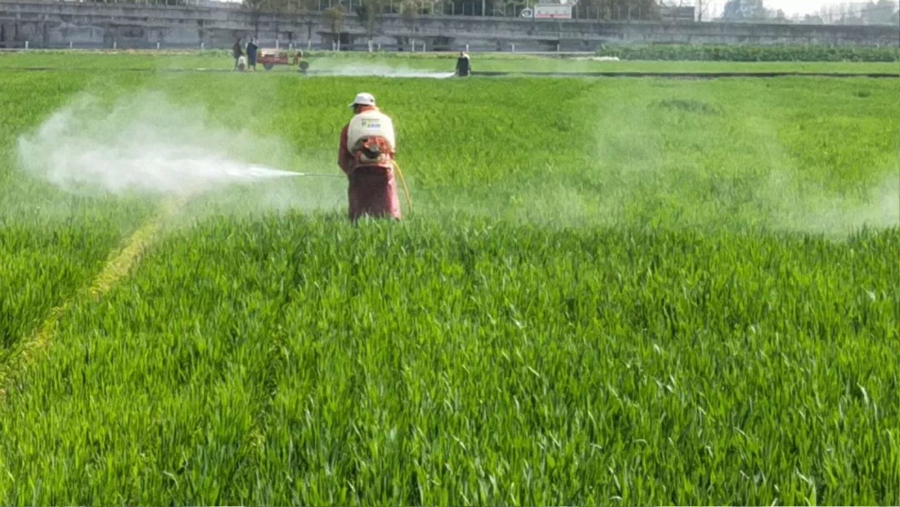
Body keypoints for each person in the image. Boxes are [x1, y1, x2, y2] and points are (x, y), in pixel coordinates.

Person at [337, 93, 401, 221]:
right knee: (387, 196)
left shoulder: (350, 126)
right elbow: (391, 150)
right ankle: (392, 219)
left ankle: (357, 220)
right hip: (384, 166)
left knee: (358, 202)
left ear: (359, 107)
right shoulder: (385, 121)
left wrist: (349, 171)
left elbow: (343, 155)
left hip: (359, 168)